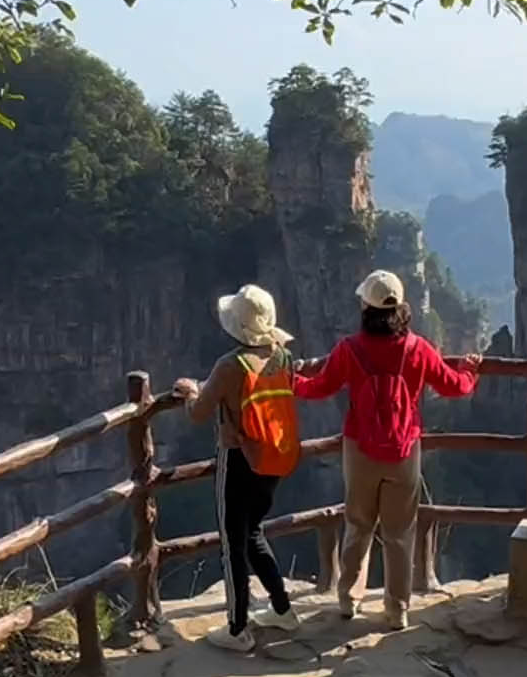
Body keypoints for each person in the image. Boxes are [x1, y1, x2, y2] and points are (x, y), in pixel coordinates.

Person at [295, 269, 481, 630]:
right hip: (404, 449)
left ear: (366, 307)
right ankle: (397, 609)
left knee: (358, 523)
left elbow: (319, 388)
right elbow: (454, 386)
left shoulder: (349, 349)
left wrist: (290, 381)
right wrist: (471, 372)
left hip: (359, 447)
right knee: (399, 532)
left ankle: (349, 599)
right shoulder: (418, 349)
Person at [174, 284, 305, 652]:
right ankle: (282, 609)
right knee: (254, 533)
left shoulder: (231, 365)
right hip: (274, 458)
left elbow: (199, 413)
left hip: (240, 460)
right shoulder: (283, 357)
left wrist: (190, 392)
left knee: (234, 542)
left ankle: (237, 629)